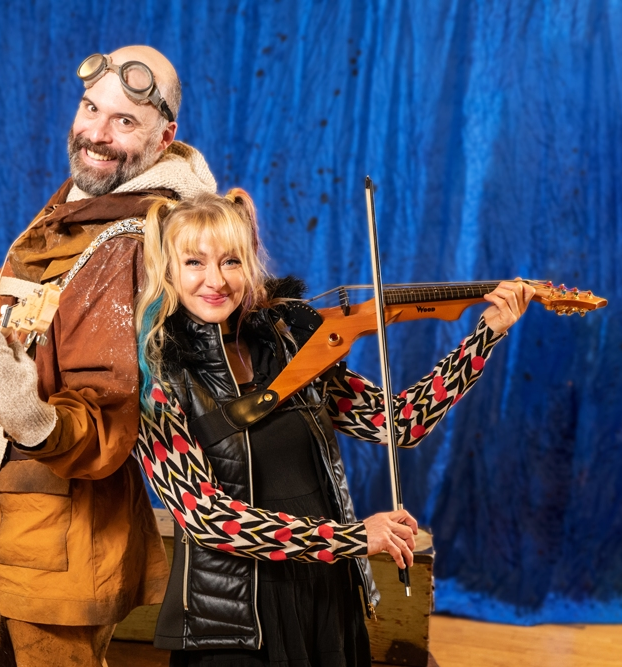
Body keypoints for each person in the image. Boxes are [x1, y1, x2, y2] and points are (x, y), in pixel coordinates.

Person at [0, 46, 217, 667]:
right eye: (91, 108)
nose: (96, 134)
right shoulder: (77, 204)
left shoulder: (146, 240)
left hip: (66, 540)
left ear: (165, 137)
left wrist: (27, 410)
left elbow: (110, 426)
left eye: (125, 121)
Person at [133, 190, 534, 666]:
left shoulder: (292, 347)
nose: (216, 280)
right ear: (169, 272)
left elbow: (399, 422)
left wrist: (485, 336)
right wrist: (354, 539)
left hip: (326, 596)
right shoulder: (157, 376)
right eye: (195, 263)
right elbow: (208, 519)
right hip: (236, 621)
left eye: (231, 261)